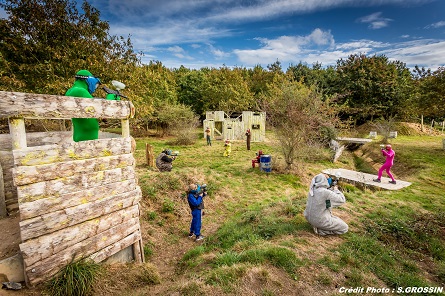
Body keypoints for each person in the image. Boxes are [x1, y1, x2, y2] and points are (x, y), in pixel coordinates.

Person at [65, 70, 101, 142]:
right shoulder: (81, 91)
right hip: (87, 137)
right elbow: (98, 110)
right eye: (95, 84)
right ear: (88, 80)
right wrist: (111, 98)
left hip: (80, 134)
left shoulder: (70, 91)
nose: (95, 87)